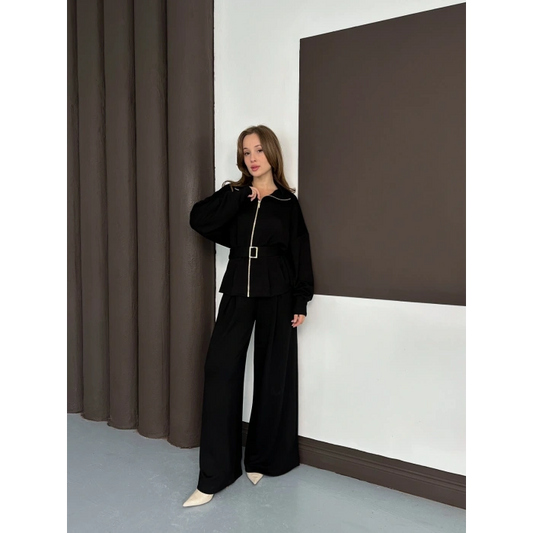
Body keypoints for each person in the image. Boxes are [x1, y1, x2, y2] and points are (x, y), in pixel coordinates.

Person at [183, 125, 314, 507]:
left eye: (258, 150)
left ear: (271, 153)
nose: (253, 158)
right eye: (246, 152)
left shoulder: (288, 203)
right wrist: (239, 195)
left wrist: (300, 300)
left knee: (274, 374)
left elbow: (299, 252)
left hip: (278, 293)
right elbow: (199, 219)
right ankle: (215, 474)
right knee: (220, 370)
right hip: (239, 288)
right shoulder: (235, 194)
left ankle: (263, 458)